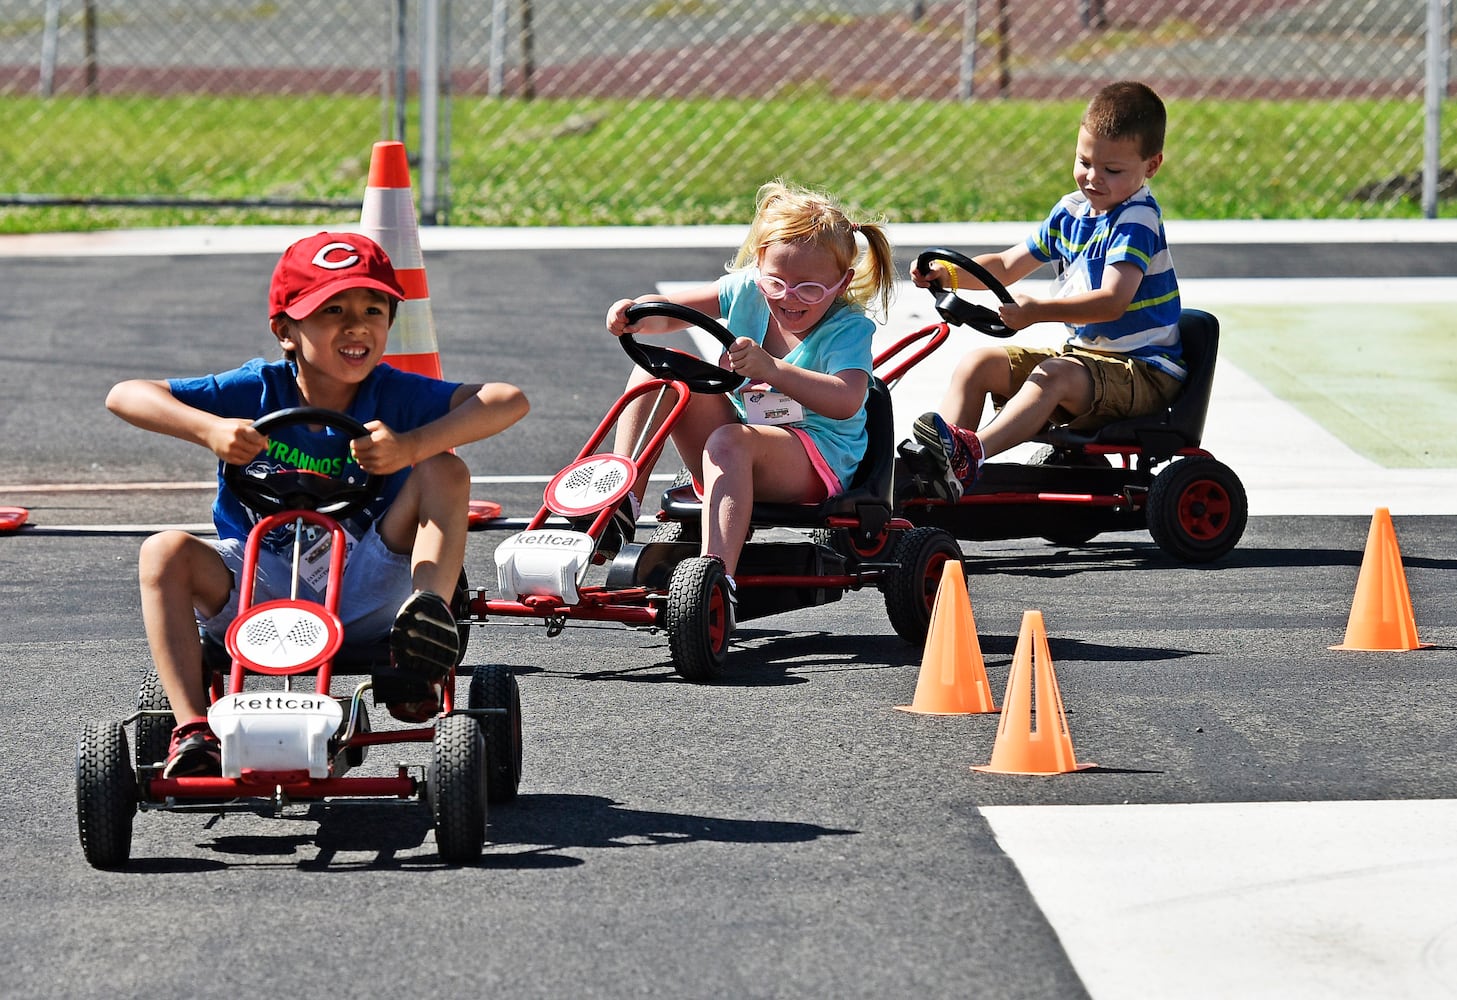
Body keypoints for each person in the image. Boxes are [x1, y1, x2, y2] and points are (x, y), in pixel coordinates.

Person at [106, 231, 529, 778]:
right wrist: (209, 429)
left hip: (368, 585)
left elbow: (508, 399)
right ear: (286, 330)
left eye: (373, 309)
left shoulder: (395, 393)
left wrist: (410, 446)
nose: (356, 326)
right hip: (259, 586)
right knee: (163, 551)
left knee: (444, 469)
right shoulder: (255, 389)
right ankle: (192, 729)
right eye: (332, 310)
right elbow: (125, 394)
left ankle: (426, 628)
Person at [602, 179, 896, 621]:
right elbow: (667, 312)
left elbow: (849, 400)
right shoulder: (746, 290)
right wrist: (634, 311)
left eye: (809, 290)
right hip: (741, 431)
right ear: (759, 265)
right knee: (658, 370)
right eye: (776, 282)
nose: (788, 299)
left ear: (841, 282)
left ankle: (715, 577)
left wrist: (772, 370)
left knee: (729, 442)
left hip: (815, 454)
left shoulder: (847, 328)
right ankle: (622, 500)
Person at [905, 80, 1183, 501]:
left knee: (1052, 375)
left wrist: (1037, 312)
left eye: (1112, 170)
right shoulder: (1071, 211)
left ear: (1152, 165)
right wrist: (949, 275)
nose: (1093, 178)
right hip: (1088, 363)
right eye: (1084, 161)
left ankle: (970, 456)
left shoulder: (1136, 220)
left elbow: (1113, 301)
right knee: (978, 364)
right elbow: (1008, 265)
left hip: (1142, 370)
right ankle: (936, 472)